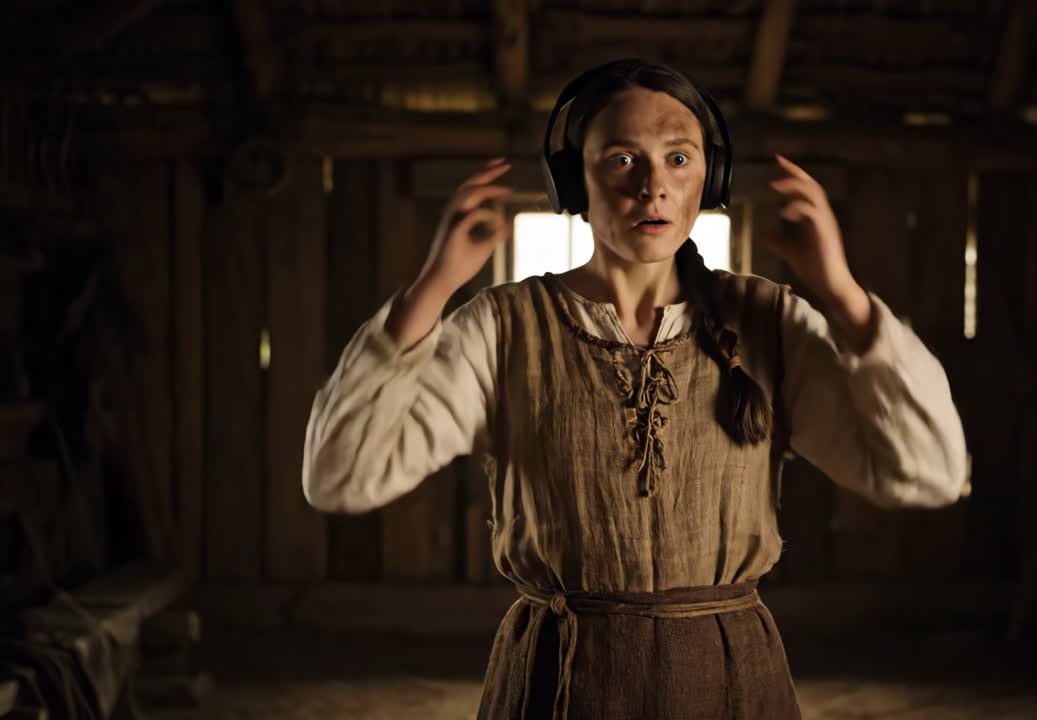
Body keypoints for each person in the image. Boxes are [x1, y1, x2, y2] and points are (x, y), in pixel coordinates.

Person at [302, 59, 968, 720]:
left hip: (731, 682)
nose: (654, 187)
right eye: (623, 159)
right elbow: (341, 476)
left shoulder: (769, 323)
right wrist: (431, 291)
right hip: (556, 685)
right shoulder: (503, 329)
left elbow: (929, 473)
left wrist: (845, 298)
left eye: (679, 159)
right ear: (572, 180)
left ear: (713, 175)